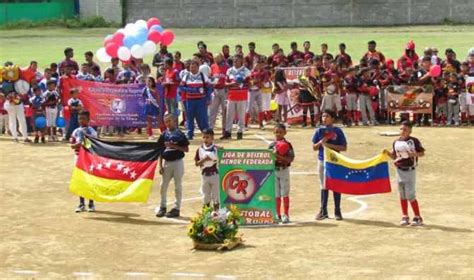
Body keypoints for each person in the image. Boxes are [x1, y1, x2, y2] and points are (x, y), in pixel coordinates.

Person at [386, 121, 425, 226]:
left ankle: (417, 217)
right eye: (401, 129)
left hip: (410, 170)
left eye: (405, 129)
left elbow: (422, 153)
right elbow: (395, 156)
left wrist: (415, 154)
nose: (402, 131)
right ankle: (405, 216)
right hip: (399, 170)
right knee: (402, 194)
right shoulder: (396, 142)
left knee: (410, 194)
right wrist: (388, 154)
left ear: (410, 131)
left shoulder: (414, 141)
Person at [312, 110, 347, 221]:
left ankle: (337, 210)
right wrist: (321, 142)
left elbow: (344, 147)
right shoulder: (319, 131)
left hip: (335, 161)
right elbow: (314, 147)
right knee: (323, 185)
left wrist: (329, 145)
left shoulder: (338, 131)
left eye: (327, 116)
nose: (324, 118)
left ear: (332, 118)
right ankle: (323, 210)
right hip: (322, 160)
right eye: (323, 116)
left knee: (336, 185)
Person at [156, 113, 190, 218]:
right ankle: (162, 207)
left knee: (177, 186)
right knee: (163, 186)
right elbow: (160, 151)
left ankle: (176, 208)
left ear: (174, 121)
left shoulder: (180, 134)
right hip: (167, 163)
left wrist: (173, 146)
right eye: (166, 122)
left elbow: (186, 149)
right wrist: (160, 165)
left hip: (178, 162)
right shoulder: (163, 135)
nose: (168, 123)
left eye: (169, 121)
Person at [70, 111, 97, 213]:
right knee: (80, 180)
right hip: (78, 157)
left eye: (83, 119)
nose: (81, 121)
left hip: (89, 158)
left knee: (90, 180)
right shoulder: (76, 131)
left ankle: (91, 203)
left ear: (89, 120)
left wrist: (82, 143)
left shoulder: (92, 132)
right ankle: (81, 203)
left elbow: (92, 145)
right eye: (79, 119)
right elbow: (72, 145)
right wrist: (77, 144)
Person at [268, 124, 295, 224]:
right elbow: (267, 159)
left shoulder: (288, 145)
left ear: (285, 133)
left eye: (280, 132)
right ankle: (277, 214)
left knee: (285, 193)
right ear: (273, 133)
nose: (278, 134)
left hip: (284, 170)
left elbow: (290, 159)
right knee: (276, 194)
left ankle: (286, 214)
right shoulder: (271, 145)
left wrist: (278, 156)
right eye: (276, 132)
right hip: (274, 170)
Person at [179, 60, 211, 140]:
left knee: (202, 117)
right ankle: (190, 133)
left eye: (194, 67)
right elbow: (181, 87)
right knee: (190, 117)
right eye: (191, 67)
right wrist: (190, 89)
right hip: (190, 100)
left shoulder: (202, 75)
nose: (192, 69)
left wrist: (208, 98)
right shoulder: (186, 76)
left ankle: (206, 133)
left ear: (198, 67)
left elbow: (209, 87)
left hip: (201, 100)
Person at [221, 55, 251, 140]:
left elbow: (250, 83)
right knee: (229, 115)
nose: (235, 61)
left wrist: (242, 83)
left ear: (241, 60)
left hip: (242, 96)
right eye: (234, 60)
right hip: (231, 96)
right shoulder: (229, 70)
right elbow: (225, 83)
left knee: (241, 115)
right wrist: (233, 84)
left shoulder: (246, 71)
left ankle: (240, 132)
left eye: (237, 60)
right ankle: (228, 132)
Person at [194, 128, 220, 210]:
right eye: (204, 137)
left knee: (216, 196)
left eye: (207, 137)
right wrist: (204, 160)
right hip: (204, 175)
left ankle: (216, 214)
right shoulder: (200, 149)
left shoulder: (217, 149)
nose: (205, 139)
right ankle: (206, 215)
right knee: (206, 196)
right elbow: (196, 163)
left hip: (215, 175)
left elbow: (217, 158)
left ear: (212, 138)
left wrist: (206, 159)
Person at [208, 53, 229, 133]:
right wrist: (211, 81)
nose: (216, 60)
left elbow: (228, 78)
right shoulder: (213, 66)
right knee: (213, 110)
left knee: (225, 111)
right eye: (215, 58)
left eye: (218, 58)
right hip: (215, 90)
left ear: (221, 58)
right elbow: (210, 77)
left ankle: (224, 129)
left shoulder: (226, 67)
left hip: (224, 90)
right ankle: (210, 128)